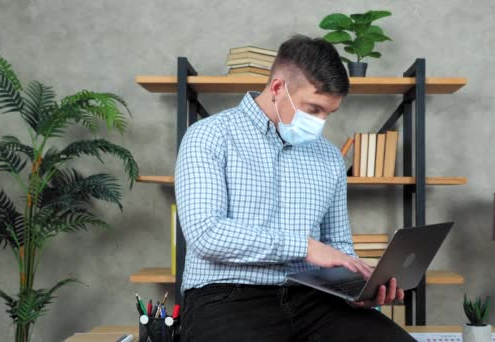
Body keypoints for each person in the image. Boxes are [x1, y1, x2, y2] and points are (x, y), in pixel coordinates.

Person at [175, 34, 415, 342]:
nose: (320, 123)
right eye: (313, 109)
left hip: (314, 299)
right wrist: (305, 247)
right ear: (278, 88)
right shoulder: (208, 136)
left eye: (329, 113)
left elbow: (338, 244)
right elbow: (205, 234)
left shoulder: (329, 156)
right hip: (226, 296)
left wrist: (357, 288)